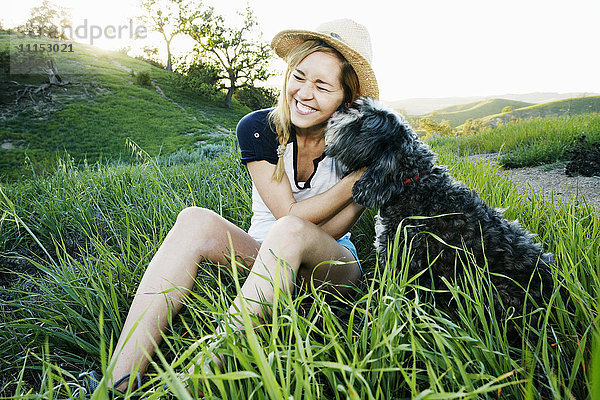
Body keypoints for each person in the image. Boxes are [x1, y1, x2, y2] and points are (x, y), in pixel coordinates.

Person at [79, 18, 379, 395]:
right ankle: (115, 383)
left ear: (346, 98)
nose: (303, 93)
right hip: (263, 258)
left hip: (331, 268)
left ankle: (189, 385)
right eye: (298, 76)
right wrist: (356, 182)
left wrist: (362, 178)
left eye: (322, 86)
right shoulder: (259, 127)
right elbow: (287, 211)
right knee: (194, 220)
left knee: (291, 231)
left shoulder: (366, 142)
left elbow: (327, 228)